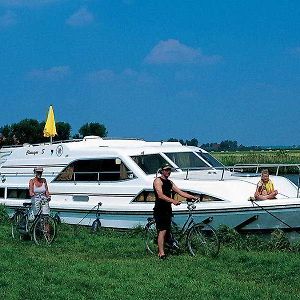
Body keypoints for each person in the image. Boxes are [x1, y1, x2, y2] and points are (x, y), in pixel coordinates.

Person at [153, 163, 198, 259]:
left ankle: (169, 244)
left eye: (169, 170)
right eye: (166, 170)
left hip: (167, 209)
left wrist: (192, 197)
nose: (168, 172)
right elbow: (160, 195)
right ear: (162, 171)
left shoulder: (170, 183)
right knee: (163, 230)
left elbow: (180, 192)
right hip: (160, 209)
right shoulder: (158, 181)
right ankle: (161, 253)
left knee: (167, 229)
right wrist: (173, 201)